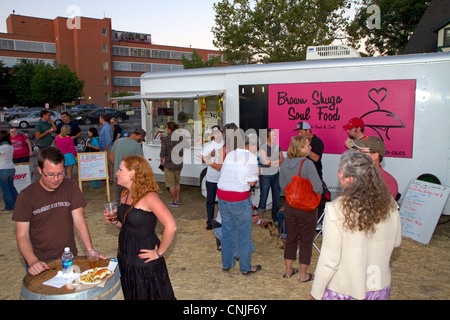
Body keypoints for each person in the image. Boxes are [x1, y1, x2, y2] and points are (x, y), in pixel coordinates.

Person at [310, 150, 401, 300]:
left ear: (350, 179)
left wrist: (316, 293)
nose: (338, 174)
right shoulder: (390, 204)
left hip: (345, 289)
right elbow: (396, 242)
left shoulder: (336, 210)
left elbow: (329, 261)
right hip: (379, 287)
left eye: (340, 171)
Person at [12, 147, 105, 276]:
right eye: (50, 174)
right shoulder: (26, 196)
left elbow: (79, 220)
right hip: (41, 262)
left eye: (60, 173)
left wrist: (90, 250)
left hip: (68, 257)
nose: (56, 179)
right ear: (39, 170)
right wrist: (32, 261)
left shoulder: (71, 186)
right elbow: (22, 234)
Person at [105, 155, 176, 300]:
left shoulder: (149, 197)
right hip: (125, 255)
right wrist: (115, 222)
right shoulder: (125, 193)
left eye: (120, 170)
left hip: (143, 261)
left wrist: (159, 253)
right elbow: (129, 226)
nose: (116, 173)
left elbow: (171, 226)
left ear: (132, 173)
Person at [279, 135, 323, 281]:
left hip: (291, 206)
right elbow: (318, 188)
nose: (310, 148)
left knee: (291, 237)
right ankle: (303, 275)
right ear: (300, 148)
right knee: (306, 241)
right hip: (307, 207)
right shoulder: (308, 164)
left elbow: (282, 186)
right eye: (307, 145)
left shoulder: (284, 164)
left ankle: (288, 270)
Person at [217, 134, 261, 276]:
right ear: (253, 146)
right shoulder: (251, 157)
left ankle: (227, 263)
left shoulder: (231, 154)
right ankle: (246, 267)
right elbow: (252, 182)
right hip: (239, 199)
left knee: (227, 232)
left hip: (223, 197)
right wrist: (258, 174)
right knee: (244, 235)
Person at [110, 129, 146, 201]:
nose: (140, 141)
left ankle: (119, 211)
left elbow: (111, 156)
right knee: (130, 199)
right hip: (130, 177)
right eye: (141, 139)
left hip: (117, 175)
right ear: (140, 136)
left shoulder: (118, 141)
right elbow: (140, 162)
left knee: (118, 198)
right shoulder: (137, 146)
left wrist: (118, 166)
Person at [258, 128, 284, 224]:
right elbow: (266, 163)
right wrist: (276, 162)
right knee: (263, 197)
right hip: (265, 176)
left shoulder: (278, 147)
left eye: (275, 135)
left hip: (276, 175)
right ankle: (261, 218)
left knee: (276, 197)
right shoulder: (262, 148)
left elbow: (283, 160)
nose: (274, 137)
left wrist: (271, 163)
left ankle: (276, 218)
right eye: (272, 135)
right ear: (267, 136)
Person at [200, 125, 224, 230]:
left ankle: (221, 221)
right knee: (210, 201)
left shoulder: (226, 145)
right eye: (214, 133)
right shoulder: (207, 145)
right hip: (211, 178)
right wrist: (210, 155)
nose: (217, 134)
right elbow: (202, 161)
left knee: (222, 201)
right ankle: (210, 221)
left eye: (218, 132)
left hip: (223, 178)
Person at [160, 122, 188, 207]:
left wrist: (161, 163)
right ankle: (178, 198)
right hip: (178, 163)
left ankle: (175, 201)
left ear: (169, 129)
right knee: (177, 182)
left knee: (171, 184)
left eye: (167, 127)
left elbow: (162, 153)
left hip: (169, 164)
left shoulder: (166, 139)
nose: (166, 129)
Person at [0, 130, 18, 211]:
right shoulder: (10, 146)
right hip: (11, 168)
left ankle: (9, 206)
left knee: (5, 189)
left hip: (3, 169)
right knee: (11, 187)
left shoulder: (2, 147)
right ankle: (17, 203)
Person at [99, 114, 114, 181]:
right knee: (106, 163)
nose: (99, 120)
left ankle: (111, 177)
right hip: (104, 147)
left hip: (107, 147)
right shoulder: (104, 127)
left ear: (102, 119)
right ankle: (107, 176)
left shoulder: (107, 127)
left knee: (109, 163)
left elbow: (108, 138)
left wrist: (106, 147)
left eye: (100, 118)